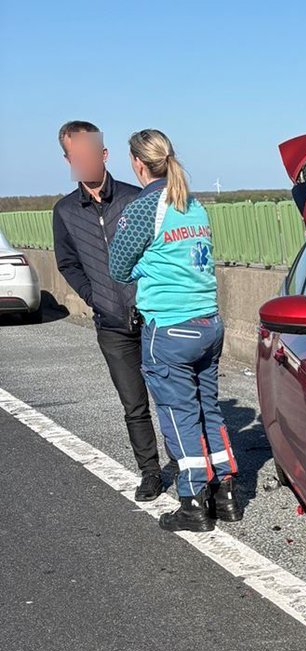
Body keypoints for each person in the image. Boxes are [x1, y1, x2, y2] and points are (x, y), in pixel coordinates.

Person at [108, 129, 241, 532]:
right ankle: (226, 493)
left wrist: (147, 266)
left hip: (170, 328)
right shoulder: (193, 203)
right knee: (208, 409)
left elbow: (118, 267)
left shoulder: (144, 208)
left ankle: (193, 502)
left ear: (137, 163)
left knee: (178, 415)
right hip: (209, 324)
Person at [52, 121, 174, 501]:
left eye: (89, 153)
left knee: (170, 397)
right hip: (111, 325)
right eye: (75, 156)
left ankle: (186, 466)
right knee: (134, 404)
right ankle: (150, 472)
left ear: (104, 154)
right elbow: (68, 263)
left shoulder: (136, 199)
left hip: (152, 317)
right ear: (68, 160)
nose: (83, 161)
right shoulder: (65, 211)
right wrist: (94, 297)